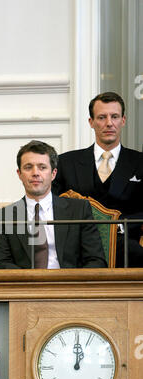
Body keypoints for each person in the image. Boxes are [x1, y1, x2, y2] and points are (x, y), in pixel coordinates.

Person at [52, 91, 143, 267]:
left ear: (123, 120)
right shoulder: (65, 162)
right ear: (91, 122)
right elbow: (51, 206)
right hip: (75, 252)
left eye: (114, 116)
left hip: (127, 253)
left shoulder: (140, 163)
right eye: (102, 117)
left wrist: (121, 226)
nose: (109, 123)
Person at [0, 140, 107, 269]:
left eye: (42, 167)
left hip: (68, 285)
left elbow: (96, 260)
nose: (35, 173)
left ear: (53, 174)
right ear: (19, 174)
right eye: (28, 167)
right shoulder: (4, 216)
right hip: (25, 286)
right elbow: (1, 263)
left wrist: (72, 284)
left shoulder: (79, 210)